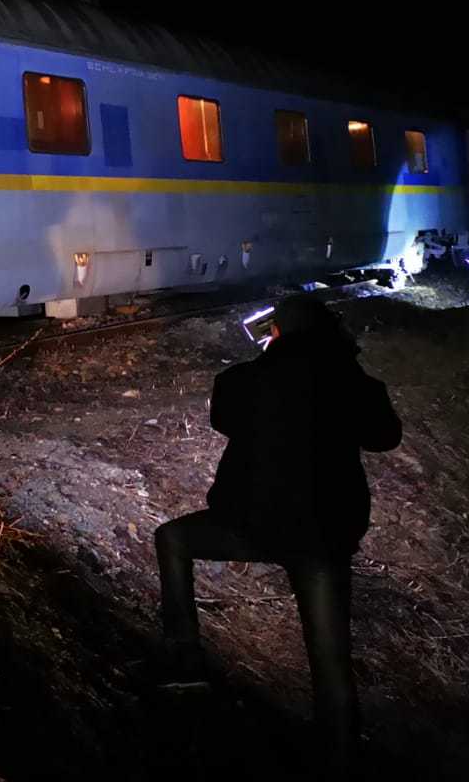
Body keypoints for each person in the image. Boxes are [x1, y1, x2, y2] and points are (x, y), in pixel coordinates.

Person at [153, 293, 401, 779]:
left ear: (278, 333)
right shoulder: (351, 381)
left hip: (251, 527)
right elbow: (385, 437)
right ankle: (341, 755)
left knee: (173, 539)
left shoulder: (247, 379)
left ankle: (184, 660)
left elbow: (223, 416)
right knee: (331, 660)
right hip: (322, 541)